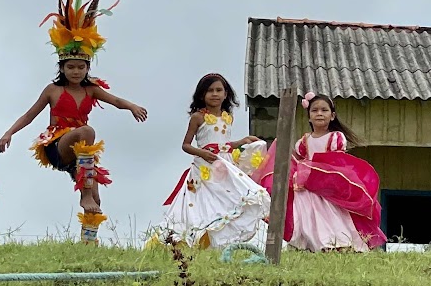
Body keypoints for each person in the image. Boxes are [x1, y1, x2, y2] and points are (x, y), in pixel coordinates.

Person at [0, 0, 148, 244]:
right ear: (62, 68)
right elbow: (29, 115)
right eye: (71, 67)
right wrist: (9, 133)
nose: (76, 72)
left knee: (96, 194)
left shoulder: (91, 89)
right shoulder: (53, 90)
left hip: (82, 155)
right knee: (86, 131)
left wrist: (132, 106)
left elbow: (115, 101)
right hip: (57, 145)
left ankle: (88, 242)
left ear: (87, 68)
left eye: (80, 67)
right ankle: (85, 195)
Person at [153, 73, 270, 250]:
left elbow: (224, 144)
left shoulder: (228, 117)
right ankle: (197, 239)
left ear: (226, 94)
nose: (214, 94)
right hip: (205, 167)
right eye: (210, 91)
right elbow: (186, 145)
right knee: (203, 203)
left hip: (225, 164)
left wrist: (242, 142)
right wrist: (202, 153)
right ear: (202, 95)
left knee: (230, 199)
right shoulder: (198, 117)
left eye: (218, 90)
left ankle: (220, 242)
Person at [260, 93, 386, 251]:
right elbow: (300, 161)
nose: (319, 113)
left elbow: (336, 163)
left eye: (324, 110)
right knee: (307, 215)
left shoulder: (335, 138)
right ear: (309, 117)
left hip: (327, 188)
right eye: (315, 110)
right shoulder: (303, 142)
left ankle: (336, 242)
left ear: (332, 116)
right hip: (306, 189)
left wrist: (315, 173)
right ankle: (308, 243)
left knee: (332, 215)